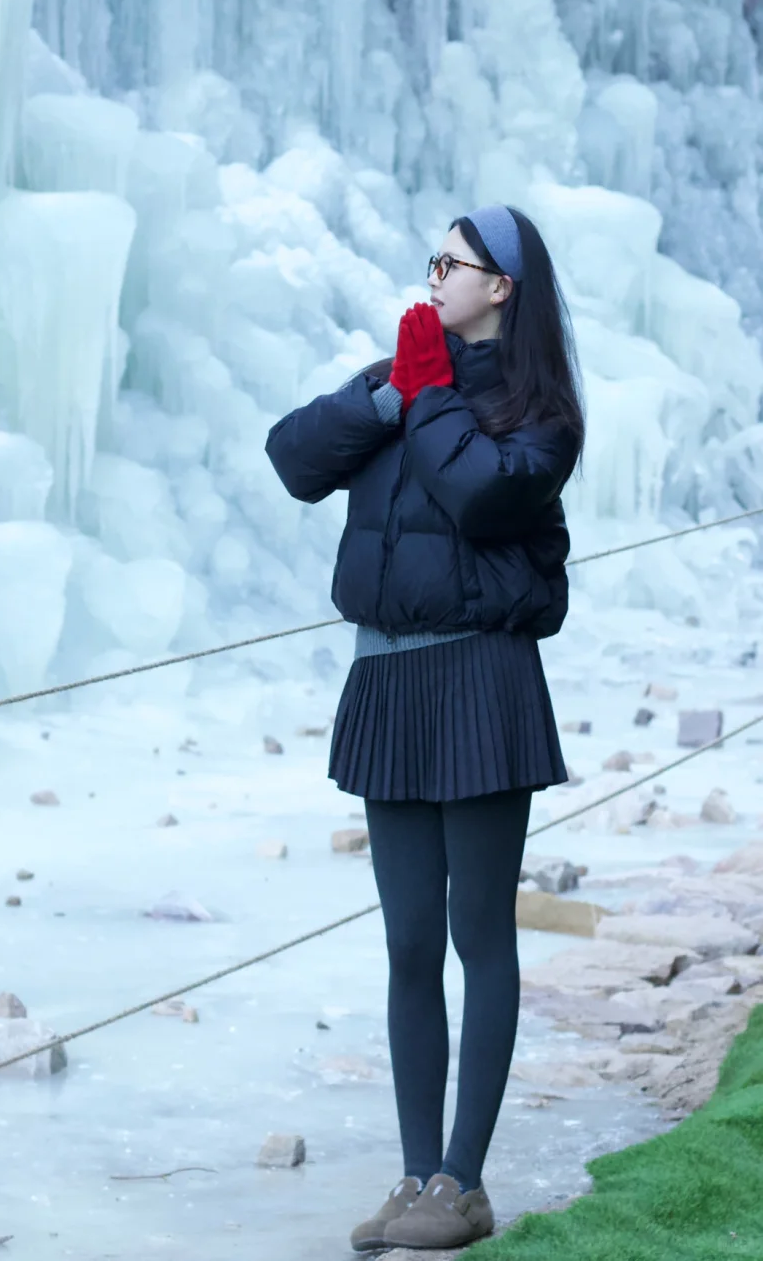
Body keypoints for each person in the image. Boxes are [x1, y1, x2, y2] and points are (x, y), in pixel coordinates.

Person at [265, 204, 584, 1252]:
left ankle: (465, 1182)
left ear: (503, 288)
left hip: (484, 678)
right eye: (434, 259)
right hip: (389, 680)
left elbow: (477, 495)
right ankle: (413, 1179)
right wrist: (391, 391)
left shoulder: (543, 415)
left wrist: (429, 394)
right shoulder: (406, 371)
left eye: (455, 262)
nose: (434, 274)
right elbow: (295, 459)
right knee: (408, 942)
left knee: (477, 933)